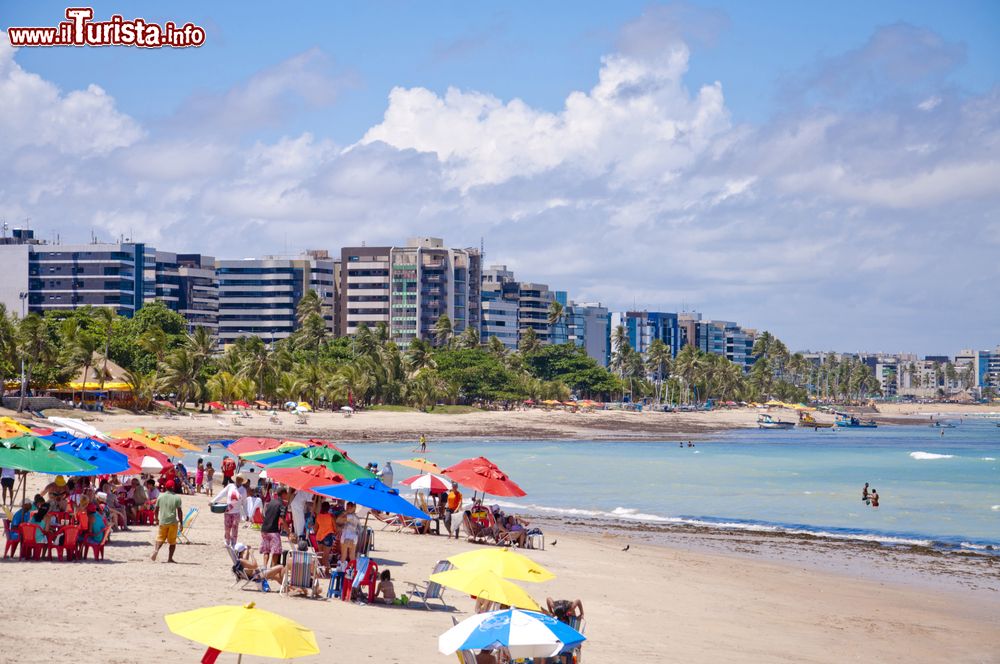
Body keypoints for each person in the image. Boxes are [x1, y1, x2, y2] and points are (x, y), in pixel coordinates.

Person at [151, 480, 183, 563]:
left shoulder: (160, 497)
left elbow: (156, 509)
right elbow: (179, 511)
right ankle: (170, 558)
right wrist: (181, 523)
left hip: (163, 521)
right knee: (172, 542)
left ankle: (156, 550)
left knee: (160, 538)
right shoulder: (177, 497)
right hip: (172, 522)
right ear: (173, 487)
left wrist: (156, 519)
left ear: (166, 487)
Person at [260, 488, 287, 567]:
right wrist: (288, 532)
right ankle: (273, 568)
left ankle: (264, 567)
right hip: (273, 530)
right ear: (283, 494)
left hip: (264, 529)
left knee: (266, 550)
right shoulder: (281, 504)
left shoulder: (271, 502)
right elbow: (282, 519)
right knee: (276, 551)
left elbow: (263, 514)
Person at [314, 502, 336, 569]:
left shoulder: (318, 516)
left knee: (320, 555)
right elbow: (335, 527)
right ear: (328, 508)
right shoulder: (331, 516)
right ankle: (326, 572)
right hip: (328, 536)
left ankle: (320, 572)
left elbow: (315, 528)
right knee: (326, 556)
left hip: (319, 536)